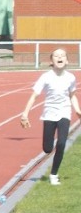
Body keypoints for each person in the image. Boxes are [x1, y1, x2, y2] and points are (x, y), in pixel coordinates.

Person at [20, 48, 81, 185]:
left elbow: (72, 96)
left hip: (64, 112)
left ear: (67, 60)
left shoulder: (70, 77)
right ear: (51, 61)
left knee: (61, 143)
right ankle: (49, 150)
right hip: (49, 114)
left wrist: (78, 111)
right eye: (56, 56)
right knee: (47, 149)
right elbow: (34, 96)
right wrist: (25, 114)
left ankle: (54, 174)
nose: (59, 58)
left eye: (62, 56)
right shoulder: (46, 77)